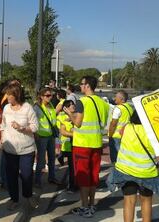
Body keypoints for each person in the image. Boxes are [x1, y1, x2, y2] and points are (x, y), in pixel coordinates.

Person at [107, 112, 159, 222]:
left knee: (129, 201)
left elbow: (120, 133)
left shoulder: (126, 128)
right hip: (146, 173)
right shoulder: (153, 134)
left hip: (126, 171)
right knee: (146, 202)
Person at [64, 76, 109, 217]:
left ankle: (84, 208)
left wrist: (69, 114)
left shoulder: (82, 102)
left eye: (82, 84)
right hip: (96, 143)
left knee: (84, 178)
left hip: (82, 144)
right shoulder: (103, 103)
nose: (80, 86)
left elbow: (77, 123)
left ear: (88, 86)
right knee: (93, 176)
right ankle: (91, 205)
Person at [0, 83, 39, 211]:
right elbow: (3, 125)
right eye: (7, 94)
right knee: (11, 176)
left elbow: (35, 127)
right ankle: (14, 199)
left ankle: (28, 195)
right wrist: (2, 139)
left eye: (9, 94)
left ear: (16, 95)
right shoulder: (6, 108)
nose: (7, 97)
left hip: (26, 149)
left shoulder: (27, 108)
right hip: (9, 149)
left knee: (27, 175)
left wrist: (22, 128)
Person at [33, 87, 59, 187]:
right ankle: (37, 181)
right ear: (41, 96)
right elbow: (33, 121)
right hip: (42, 136)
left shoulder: (51, 105)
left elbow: (53, 119)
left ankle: (51, 177)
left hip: (51, 135)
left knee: (52, 158)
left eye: (51, 95)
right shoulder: (37, 107)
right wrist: (35, 134)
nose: (50, 97)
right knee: (41, 160)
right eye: (47, 95)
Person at [108, 90, 133, 163]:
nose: (114, 98)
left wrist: (110, 135)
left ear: (122, 99)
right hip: (125, 135)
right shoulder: (129, 108)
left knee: (115, 157)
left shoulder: (118, 109)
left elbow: (113, 124)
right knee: (123, 155)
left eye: (116, 97)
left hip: (116, 136)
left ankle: (116, 170)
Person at [57, 100, 76, 191]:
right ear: (65, 108)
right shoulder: (63, 118)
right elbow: (63, 131)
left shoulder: (77, 116)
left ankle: (75, 185)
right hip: (68, 146)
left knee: (75, 167)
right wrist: (76, 135)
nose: (72, 106)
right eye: (70, 105)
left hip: (77, 145)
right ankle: (72, 186)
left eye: (73, 104)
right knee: (72, 168)